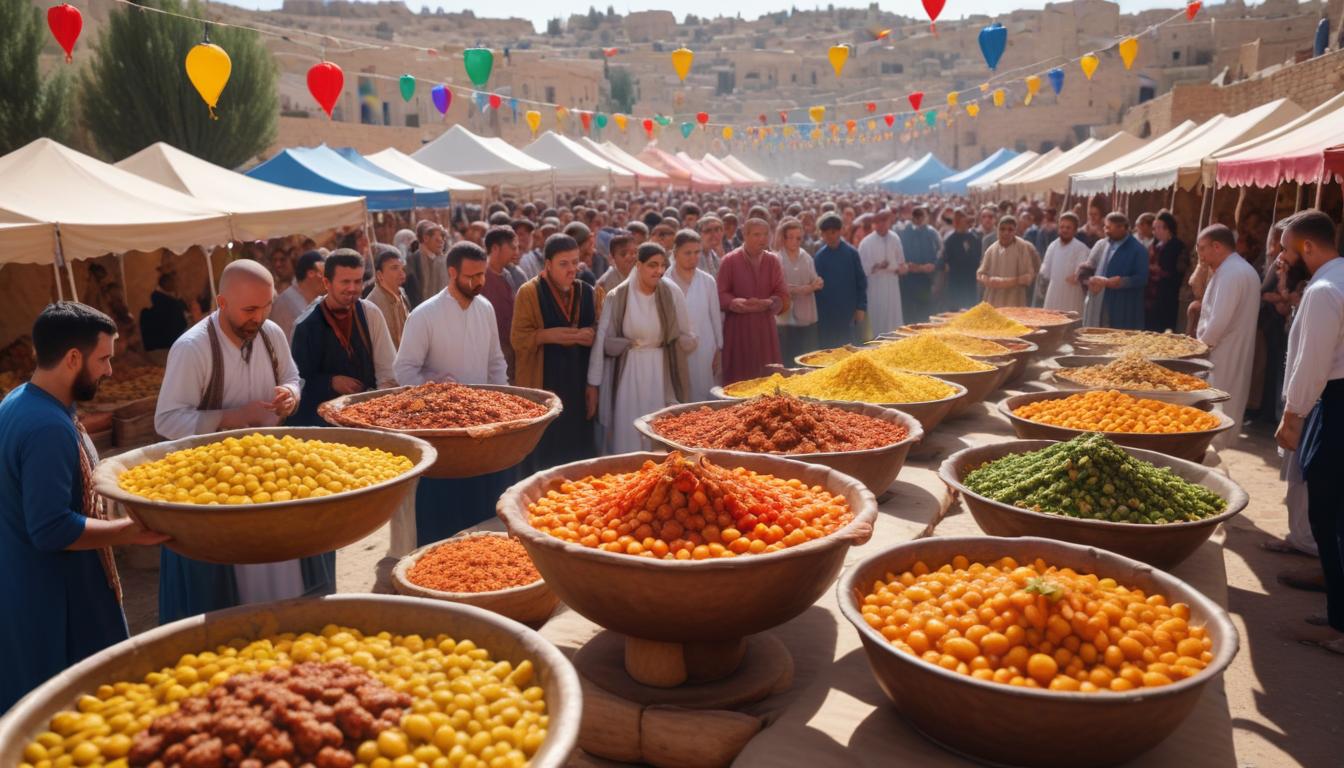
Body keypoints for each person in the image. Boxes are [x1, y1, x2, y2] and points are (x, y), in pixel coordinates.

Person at [0, 303, 170, 711]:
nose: (110, 370)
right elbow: (52, 528)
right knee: (73, 714)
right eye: (104, 358)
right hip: (55, 599)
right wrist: (130, 531)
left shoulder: (21, 401)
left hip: (24, 586)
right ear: (73, 358)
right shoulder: (46, 427)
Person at [154, 260, 328, 623]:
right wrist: (230, 418)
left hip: (274, 477)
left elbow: (293, 375)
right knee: (234, 603)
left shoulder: (270, 333)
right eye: (249, 309)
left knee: (287, 580)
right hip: (215, 486)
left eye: (266, 307)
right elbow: (167, 420)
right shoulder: (192, 349)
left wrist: (291, 395)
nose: (259, 317)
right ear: (221, 302)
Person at [394, 242, 512, 546]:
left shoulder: (485, 308)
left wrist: (506, 406)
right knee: (442, 515)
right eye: (471, 276)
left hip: (484, 426)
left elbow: (495, 362)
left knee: (484, 506)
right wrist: (437, 388)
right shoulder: (424, 315)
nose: (478, 282)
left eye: (482, 275)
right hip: (441, 430)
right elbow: (404, 370)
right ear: (452, 272)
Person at [1274, 210, 1344, 655]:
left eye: (1285, 248)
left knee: (1328, 510)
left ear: (1307, 248)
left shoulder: (1322, 290)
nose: (1281, 258)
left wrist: (1293, 414)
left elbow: (1314, 361)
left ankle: (1339, 625)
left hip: (1334, 404)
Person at [589, 244, 695, 454]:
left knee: (659, 425)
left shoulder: (671, 292)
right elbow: (602, 339)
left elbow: (686, 332)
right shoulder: (617, 296)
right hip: (629, 371)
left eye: (662, 265)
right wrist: (593, 383)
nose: (659, 271)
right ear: (639, 265)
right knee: (627, 428)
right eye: (652, 265)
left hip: (660, 369)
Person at [512, 235, 598, 469]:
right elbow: (518, 338)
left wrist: (591, 335)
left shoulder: (588, 292)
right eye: (564, 264)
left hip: (580, 386)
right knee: (545, 455)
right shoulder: (529, 293)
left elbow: (600, 331)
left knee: (579, 453)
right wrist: (546, 335)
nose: (571, 270)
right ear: (547, 264)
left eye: (575, 262)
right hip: (544, 385)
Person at [289, 250, 397, 426]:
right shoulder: (305, 325)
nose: (352, 288)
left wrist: (379, 409)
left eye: (357, 281)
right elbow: (296, 383)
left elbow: (387, 371)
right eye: (345, 282)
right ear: (326, 283)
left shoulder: (370, 314)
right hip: (321, 423)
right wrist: (330, 382)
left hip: (366, 417)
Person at [1193, 224, 1260, 447]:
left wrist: (1200, 347)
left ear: (1217, 246)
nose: (1201, 256)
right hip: (1230, 348)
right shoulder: (1238, 269)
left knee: (1217, 404)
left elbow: (1218, 321)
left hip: (1221, 351)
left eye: (1202, 249)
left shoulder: (1231, 273)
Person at [717, 218, 790, 384]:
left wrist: (771, 302)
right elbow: (720, 293)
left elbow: (783, 293)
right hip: (738, 327)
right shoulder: (729, 261)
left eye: (765, 234)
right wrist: (733, 303)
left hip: (765, 326)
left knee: (768, 377)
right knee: (740, 378)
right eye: (757, 234)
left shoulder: (773, 261)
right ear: (745, 235)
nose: (762, 239)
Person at [666, 229, 723, 401]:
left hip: (706, 347)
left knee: (705, 397)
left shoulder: (707, 281)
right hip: (676, 349)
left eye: (697, 252)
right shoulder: (664, 281)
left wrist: (719, 349)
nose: (693, 257)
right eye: (688, 253)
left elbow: (715, 317)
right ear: (675, 253)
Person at [1083, 213, 1150, 330]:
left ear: (1122, 228)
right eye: (1105, 227)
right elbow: (1088, 267)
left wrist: (1122, 282)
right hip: (1098, 299)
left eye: (1109, 228)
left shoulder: (1138, 250)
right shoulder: (1101, 244)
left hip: (1123, 304)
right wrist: (1089, 280)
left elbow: (1142, 278)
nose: (1105, 230)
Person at [813, 213, 868, 349]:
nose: (830, 236)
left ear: (840, 231)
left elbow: (861, 282)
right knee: (828, 351)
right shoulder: (819, 257)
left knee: (849, 350)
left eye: (833, 232)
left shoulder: (851, 253)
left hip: (848, 313)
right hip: (827, 315)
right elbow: (817, 288)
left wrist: (861, 307)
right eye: (826, 233)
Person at [775, 218, 822, 363]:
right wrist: (807, 288)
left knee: (808, 357)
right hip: (785, 319)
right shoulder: (777, 259)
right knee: (789, 358)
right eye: (791, 238)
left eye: (798, 238)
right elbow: (781, 287)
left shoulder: (807, 257)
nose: (795, 241)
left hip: (806, 317)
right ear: (784, 238)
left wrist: (818, 283)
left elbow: (815, 280)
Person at [858, 209, 906, 336]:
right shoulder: (866, 243)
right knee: (878, 320)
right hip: (876, 287)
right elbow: (862, 269)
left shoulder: (895, 238)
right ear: (874, 223)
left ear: (889, 222)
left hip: (892, 284)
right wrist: (877, 266)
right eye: (879, 222)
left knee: (893, 321)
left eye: (885, 221)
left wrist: (900, 268)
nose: (882, 224)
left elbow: (901, 262)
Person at [481, 226, 520, 381]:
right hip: (488, 351)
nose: (516, 252)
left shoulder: (508, 275)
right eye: (512, 248)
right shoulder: (480, 276)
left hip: (509, 349)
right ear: (495, 248)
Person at [977, 216, 1040, 308]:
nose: (1006, 233)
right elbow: (980, 274)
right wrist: (988, 280)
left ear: (1015, 231)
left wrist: (1006, 282)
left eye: (1010, 230)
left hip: (1015, 300)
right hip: (993, 300)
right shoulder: (991, 249)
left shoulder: (1023, 247)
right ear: (997, 230)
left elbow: (1029, 277)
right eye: (1002, 229)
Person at [1038, 213, 1090, 314]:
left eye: (1068, 227)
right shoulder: (1052, 246)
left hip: (1072, 296)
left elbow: (1080, 275)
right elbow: (1045, 272)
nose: (1064, 230)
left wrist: (1077, 276)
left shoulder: (1081, 249)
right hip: (1053, 294)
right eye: (1062, 227)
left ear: (1075, 230)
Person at [899, 207, 941, 323]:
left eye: (921, 216)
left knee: (926, 314)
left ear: (925, 217)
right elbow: (900, 254)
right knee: (910, 315)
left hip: (927, 280)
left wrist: (933, 266)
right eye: (916, 216)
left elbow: (940, 252)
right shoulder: (905, 232)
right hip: (909, 280)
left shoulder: (932, 233)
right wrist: (910, 266)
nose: (919, 219)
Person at [271, 250, 325, 340]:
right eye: (322, 273)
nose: (326, 279)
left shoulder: (315, 300)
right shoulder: (288, 304)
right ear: (311, 273)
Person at [1146, 212, 1186, 332]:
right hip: (1152, 295)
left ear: (1167, 228)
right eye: (1154, 228)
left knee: (1166, 328)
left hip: (1168, 294)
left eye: (1158, 227)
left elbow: (1179, 270)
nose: (1155, 231)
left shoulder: (1177, 246)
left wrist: (1161, 271)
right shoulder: (1154, 245)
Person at [367, 246, 411, 348]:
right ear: (379, 275)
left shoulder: (402, 293)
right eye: (394, 268)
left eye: (402, 268)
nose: (401, 273)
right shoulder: (372, 303)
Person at [941, 209, 982, 312]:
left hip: (970, 282)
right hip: (955, 284)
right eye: (961, 222)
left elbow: (978, 258)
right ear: (955, 223)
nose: (964, 225)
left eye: (965, 221)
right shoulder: (949, 240)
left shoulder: (974, 238)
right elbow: (944, 263)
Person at [140, 272, 191, 352]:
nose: (176, 284)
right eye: (174, 282)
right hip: (166, 344)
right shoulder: (166, 302)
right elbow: (179, 324)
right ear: (166, 283)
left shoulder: (170, 300)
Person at [405, 220, 448, 307]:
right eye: (437, 240)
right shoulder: (412, 261)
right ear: (425, 238)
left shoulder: (443, 260)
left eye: (442, 240)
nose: (441, 244)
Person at [596, 234, 636, 302]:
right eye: (624, 254)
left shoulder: (641, 273)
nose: (629, 257)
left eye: (634, 252)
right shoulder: (606, 282)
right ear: (612, 257)